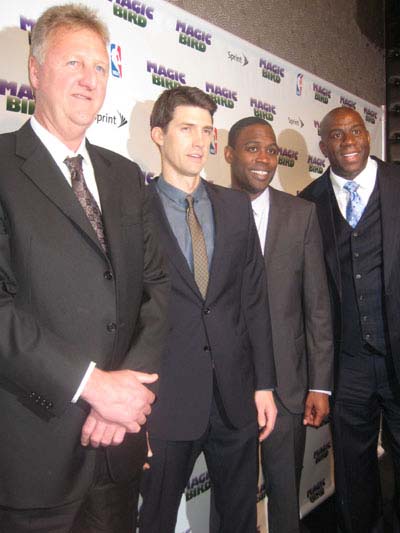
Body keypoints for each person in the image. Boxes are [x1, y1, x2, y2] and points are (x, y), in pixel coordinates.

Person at [0, 4, 169, 532]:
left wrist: (124, 397)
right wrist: (91, 386)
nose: (89, 80)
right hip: (33, 456)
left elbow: (157, 289)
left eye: (99, 67)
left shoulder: (124, 177)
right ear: (34, 72)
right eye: (74, 63)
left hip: (117, 450)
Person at [139, 86, 277, 533]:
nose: (200, 142)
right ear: (158, 135)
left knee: (238, 520)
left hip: (235, 399)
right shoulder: (134, 210)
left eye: (206, 130)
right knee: (156, 520)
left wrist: (264, 385)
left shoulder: (235, 206)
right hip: (164, 403)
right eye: (186, 129)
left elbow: (253, 300)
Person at [224, 116, 333, 533]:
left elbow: (316, 306)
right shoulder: (209, 207)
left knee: (286, 500)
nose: (264, 158)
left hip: (288, 388)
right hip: (227, 387)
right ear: (230, 153)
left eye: (271, 150)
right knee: (231, 504)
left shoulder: (301, 215)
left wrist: (320, 384)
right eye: (253, 148)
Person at [301, 106, 400, 533]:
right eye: (336, 135)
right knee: (354, 474)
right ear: (324, 146)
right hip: (348, 365)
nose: (349, 141)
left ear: (368, 135)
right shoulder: (308, 202)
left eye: (355, 130)